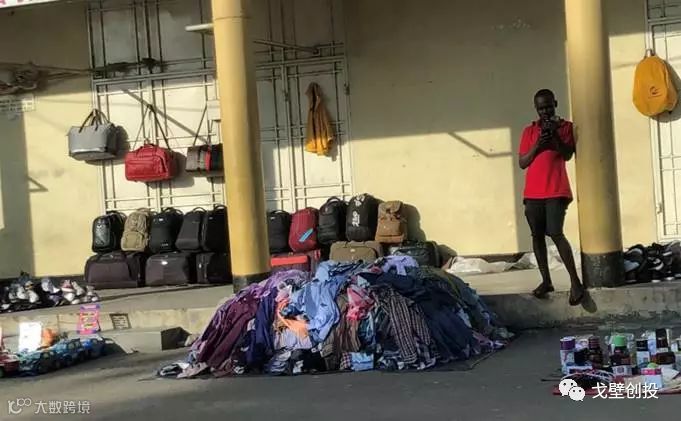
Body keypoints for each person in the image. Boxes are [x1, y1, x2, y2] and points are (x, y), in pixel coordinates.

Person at [518, 89, 585, 306]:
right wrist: (538, 144)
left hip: (556, 190)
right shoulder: (529, 131)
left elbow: (567, 154)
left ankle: (575, 282)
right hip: (533, 193)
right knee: (537, 236)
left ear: (555, 104)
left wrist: (554, 136)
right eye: (541, 108)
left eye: (548, 106)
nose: (545, 111)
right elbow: (523, 162)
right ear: (536, 109)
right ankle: (546, 281)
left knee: (556, 233)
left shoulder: (566, 127)